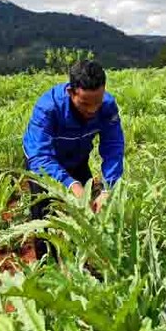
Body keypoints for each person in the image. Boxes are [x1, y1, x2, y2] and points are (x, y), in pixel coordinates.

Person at [22, 60, 125, 259]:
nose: (93, 110)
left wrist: (108, 187)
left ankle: (82, 261)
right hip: (44, 166)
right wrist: (71, 185)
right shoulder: (48, 108)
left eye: (98, 101)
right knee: (45, 218)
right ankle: (46, 268)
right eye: (85, 103)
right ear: (70, 92)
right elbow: (39, 156)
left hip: (77, 159)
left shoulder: (108, 106)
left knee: (89, 213)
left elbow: (113, 146)